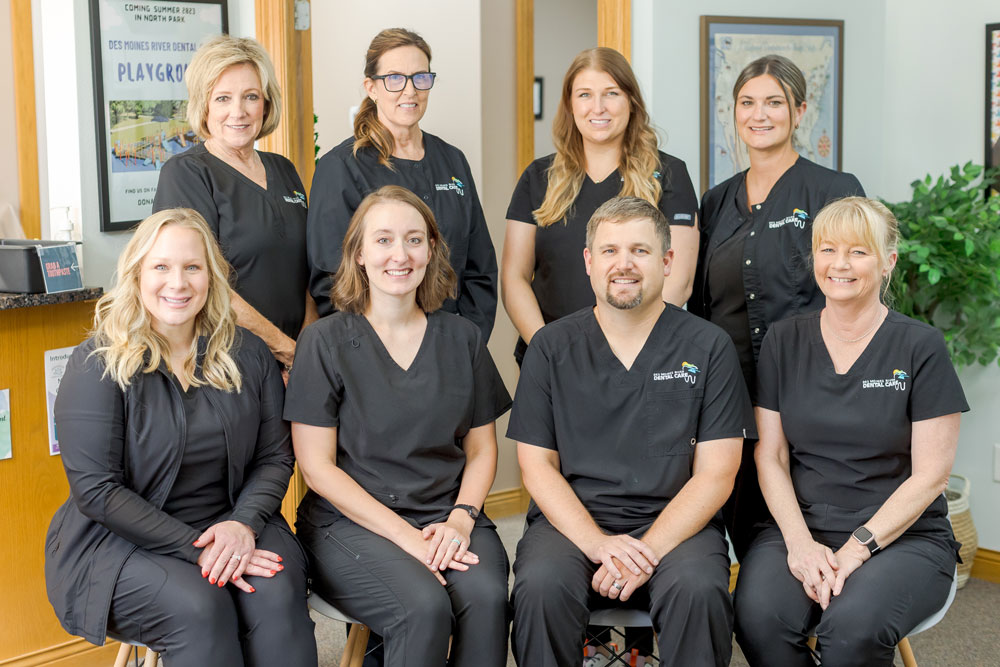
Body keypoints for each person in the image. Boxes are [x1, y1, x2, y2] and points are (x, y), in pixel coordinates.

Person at [44, 208, 317, 665]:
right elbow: (98, 491)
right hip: (122, 538)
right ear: (136, 274)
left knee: (276, 590)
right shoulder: (97, 363)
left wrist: (242, 526)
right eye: (161, 267)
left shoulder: (247, 353)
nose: (178, 282)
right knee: (199, 605)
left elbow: (274, 457)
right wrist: (202, 550)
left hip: (236, 519)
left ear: (212, 277)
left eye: (193, 267)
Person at [508, 197, 754, 667]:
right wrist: (598, 544)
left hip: (678, 522)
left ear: (666, 261)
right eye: (609, 251)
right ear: (588, 262)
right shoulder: (550, 347)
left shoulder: (708, 347)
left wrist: (645, 551)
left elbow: (718, 475)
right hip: (572, 520)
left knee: (699, 592)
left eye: (640, 251)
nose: (624, 265)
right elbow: (536, 467)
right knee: (539, 588)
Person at [733, 197, 966, 666]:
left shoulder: (920, 346)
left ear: (887, 262)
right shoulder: (784, 339)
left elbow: (931, 477)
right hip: (800, 523)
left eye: (858, 252)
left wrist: (857, 549)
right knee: (759, 618)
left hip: (902, 535)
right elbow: (771, 456)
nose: (840, 264)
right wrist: (799, 544)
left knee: (852, 628)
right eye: (827, 249)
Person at [286, 185, 511, 667]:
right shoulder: (324, 343)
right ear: (360, 254)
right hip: (351, 523)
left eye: (414, 239)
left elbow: (482, 450)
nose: (400, 254)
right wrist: (408, 539)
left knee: (487, 599)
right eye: (383, 240)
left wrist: (461, 518)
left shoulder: (463, 338)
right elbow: (317, 466)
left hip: (449, 513)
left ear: (431, 249)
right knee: (422, 608)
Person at [689, 54, 865, 558]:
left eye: (773, 102)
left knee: (811, 520)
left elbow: (854, 288)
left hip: (811, 391)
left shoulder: (833, 191)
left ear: (800, 111)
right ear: (734, 112)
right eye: (747, 103)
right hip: (732, 396)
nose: (758, 114)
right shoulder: (716, 201)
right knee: (747, 527)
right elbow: (702, 306)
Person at [503, 47, 698, 365]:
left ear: (631, 101)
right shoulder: (537, 178)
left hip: (641, 358)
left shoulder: (669, 174)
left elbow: (680, 281)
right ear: (569, 104)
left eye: (611, 93)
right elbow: (514, 277)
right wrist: (546, 348)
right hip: (553, 361)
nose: (598, 107)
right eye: (584, 95)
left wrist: (628, 349)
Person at [307, 28, 497, 340]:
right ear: (371, 87)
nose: (410, 91)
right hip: (375, 349)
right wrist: (380, 352)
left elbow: (480, 268)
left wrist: (467, 340)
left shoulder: (452, 161)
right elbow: (331, 282)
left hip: (453, 341)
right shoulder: (340, 167)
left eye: (420, 77)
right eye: (394, 78)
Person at [153, 35, 315, 374]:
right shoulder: (186, 174)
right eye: (223, 98)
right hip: (226, 362)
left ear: (266, 104)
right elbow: (205, 282)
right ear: (204, 105)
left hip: (295, 362)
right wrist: (284, 349)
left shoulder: (283, 169)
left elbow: (305, 270)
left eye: (250, 97)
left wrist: (306, 348)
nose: (238, 112)